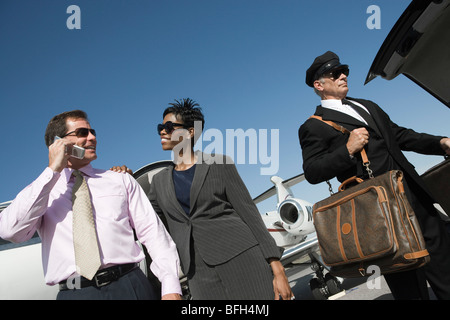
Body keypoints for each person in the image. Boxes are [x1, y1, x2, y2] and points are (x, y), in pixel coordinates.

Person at [298, 51, 450, 300]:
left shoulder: (367, 106)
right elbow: (313, 171)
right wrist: (347, 150)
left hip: (415, 199)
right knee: (409, 287)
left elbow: (400, 135)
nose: (343, 75)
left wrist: (440, 142)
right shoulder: (313, 126)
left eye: (343, 70)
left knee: (445, 271)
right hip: (381, 213)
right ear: (319, 84)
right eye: (335, 74)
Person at [0, 110, 182, 300]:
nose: (93, 137)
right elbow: (10, 231)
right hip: (76, 293)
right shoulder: (41, 193)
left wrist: (171, 287)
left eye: (92, 131)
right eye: (82, 133)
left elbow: (153, 233)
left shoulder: (120, 180)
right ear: (58, 142)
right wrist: (53, 169)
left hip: (131, 285)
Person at [147, 98, 293, 300]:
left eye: (169, 126)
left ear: (190, 132)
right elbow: (145, 221)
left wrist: (277, 269)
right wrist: (122, 179)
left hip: (242, 259)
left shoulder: (219, 164)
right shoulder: (159, 182)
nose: (163, 131)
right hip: (197, 274)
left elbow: (250, 215)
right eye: (160, 127)